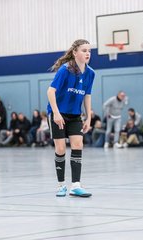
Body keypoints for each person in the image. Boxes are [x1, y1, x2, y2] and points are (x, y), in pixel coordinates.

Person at [47, 39, 94, 198]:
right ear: (75, 52)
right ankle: (61, 186)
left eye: (89, 50)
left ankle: (76, 185)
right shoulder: (65, 70)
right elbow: (50, 92)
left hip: (75, 115)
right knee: (60, 149)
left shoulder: (91, 73)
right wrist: (56, 113)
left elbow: (87, 95)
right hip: (58, 114)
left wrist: (88, 117)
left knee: (78, 145)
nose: (87, 53)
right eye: (83, 50)